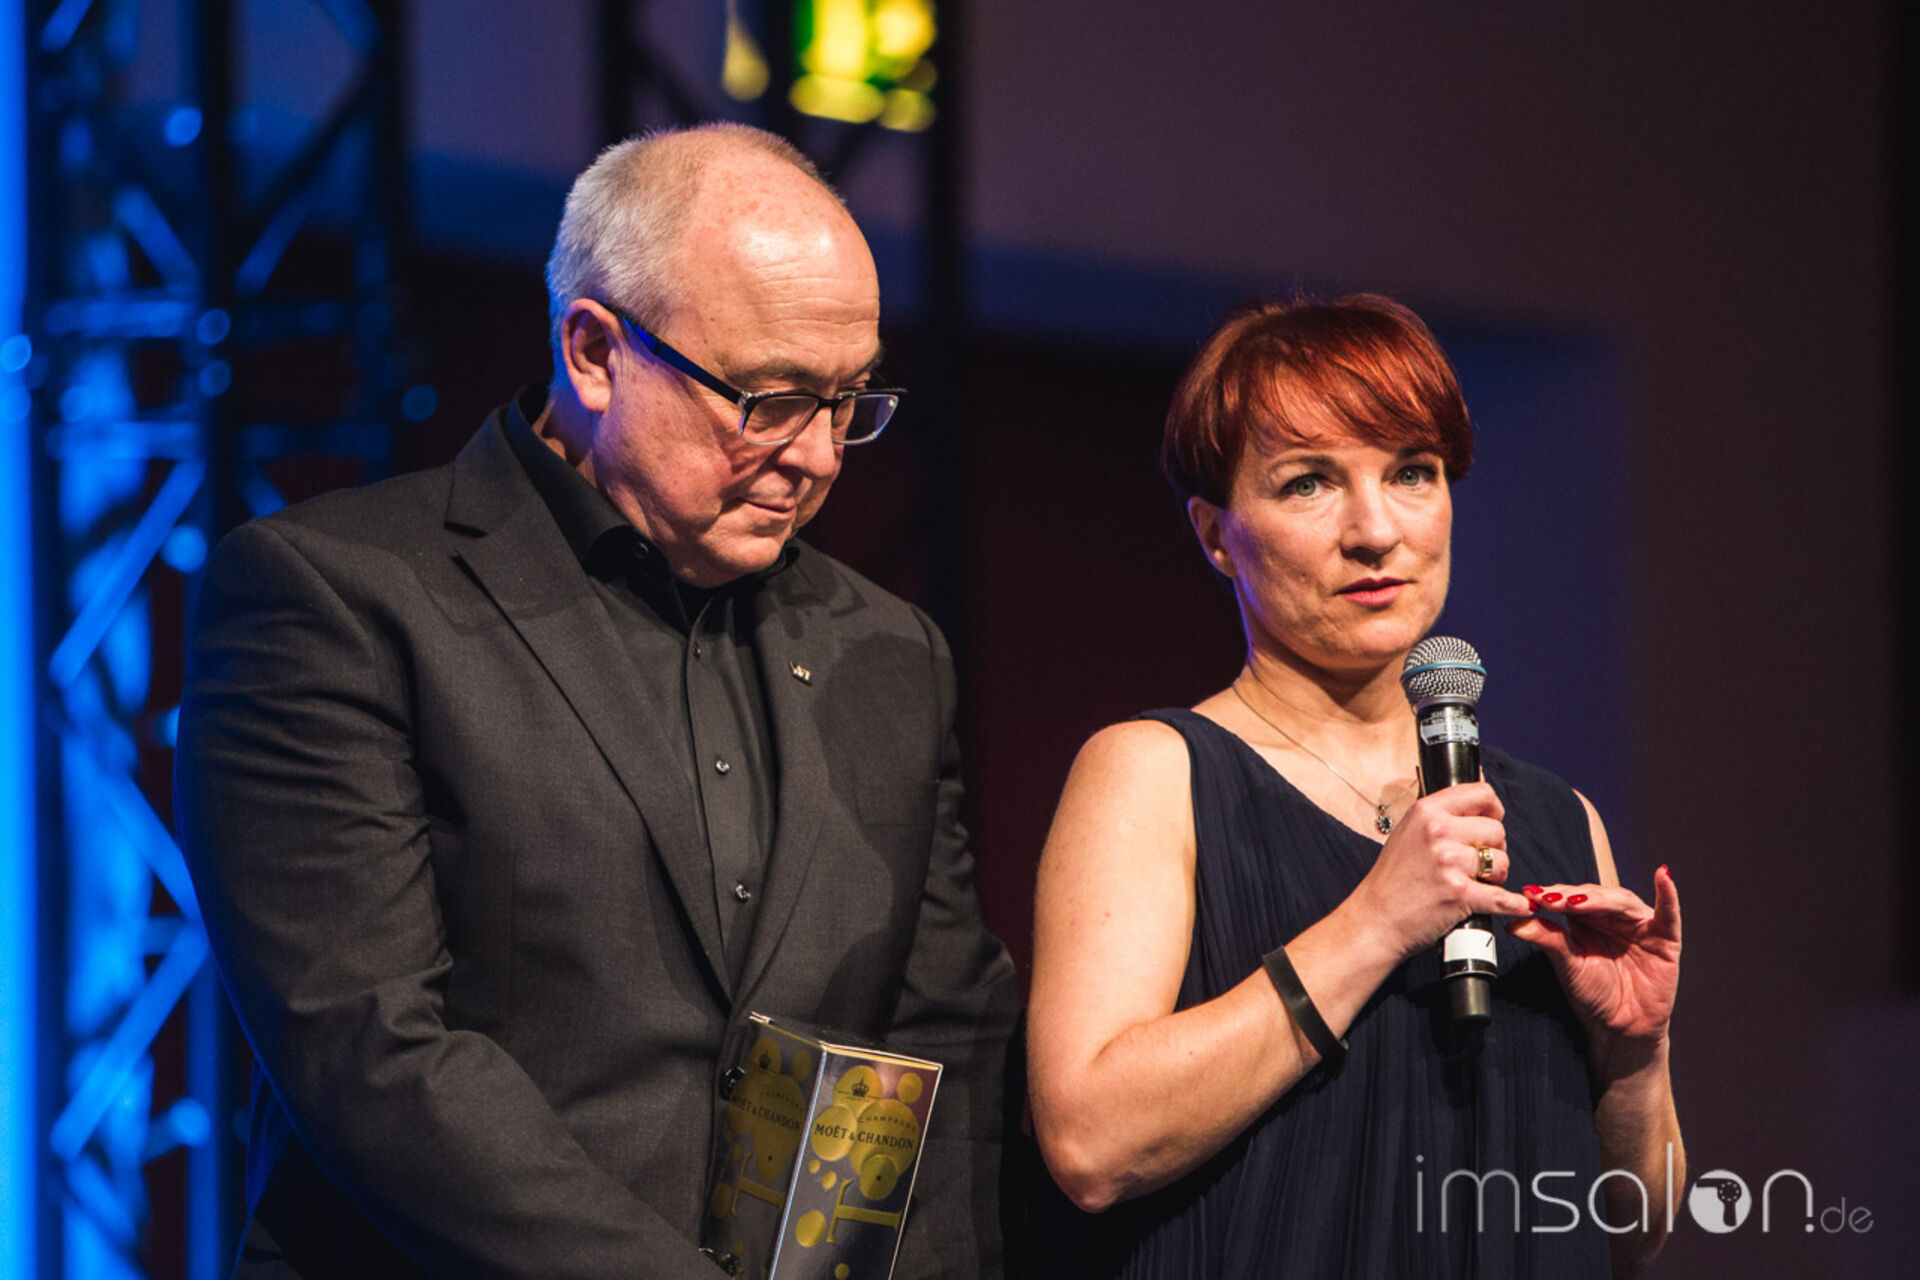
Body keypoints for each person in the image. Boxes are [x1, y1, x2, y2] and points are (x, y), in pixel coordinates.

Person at [175, 123, 1017, 1278]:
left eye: (849, 400)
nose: (820, 455)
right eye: (772, 399)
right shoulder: (337, 596)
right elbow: (374, 1057)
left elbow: (940, 1050)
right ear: (594, 353)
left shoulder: (888, 650)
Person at [1024, 296, 1683, 1277]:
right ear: (1215, 534)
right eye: (1308, 483)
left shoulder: (1558, 819)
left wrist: (1634, 1054)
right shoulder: (1155, 772)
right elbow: (1090, 1142)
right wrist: (1375, 922)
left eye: (1412, 472)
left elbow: (1636, 1230)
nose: (1375, 530)